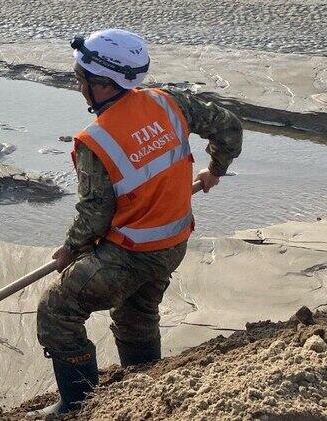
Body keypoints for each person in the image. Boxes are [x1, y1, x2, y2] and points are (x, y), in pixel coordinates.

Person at [30, 28, 243, 417]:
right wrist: (215, 169)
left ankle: (77, 406)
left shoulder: (95, 141)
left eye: (82, 79)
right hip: (174, 241)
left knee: (56, 311)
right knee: (136, 313)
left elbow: (95, 216)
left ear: (105, 85)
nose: (78, 86)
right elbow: (228, 126)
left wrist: (70, 249)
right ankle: (143, 388)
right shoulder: (168, 103)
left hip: (131, 253)